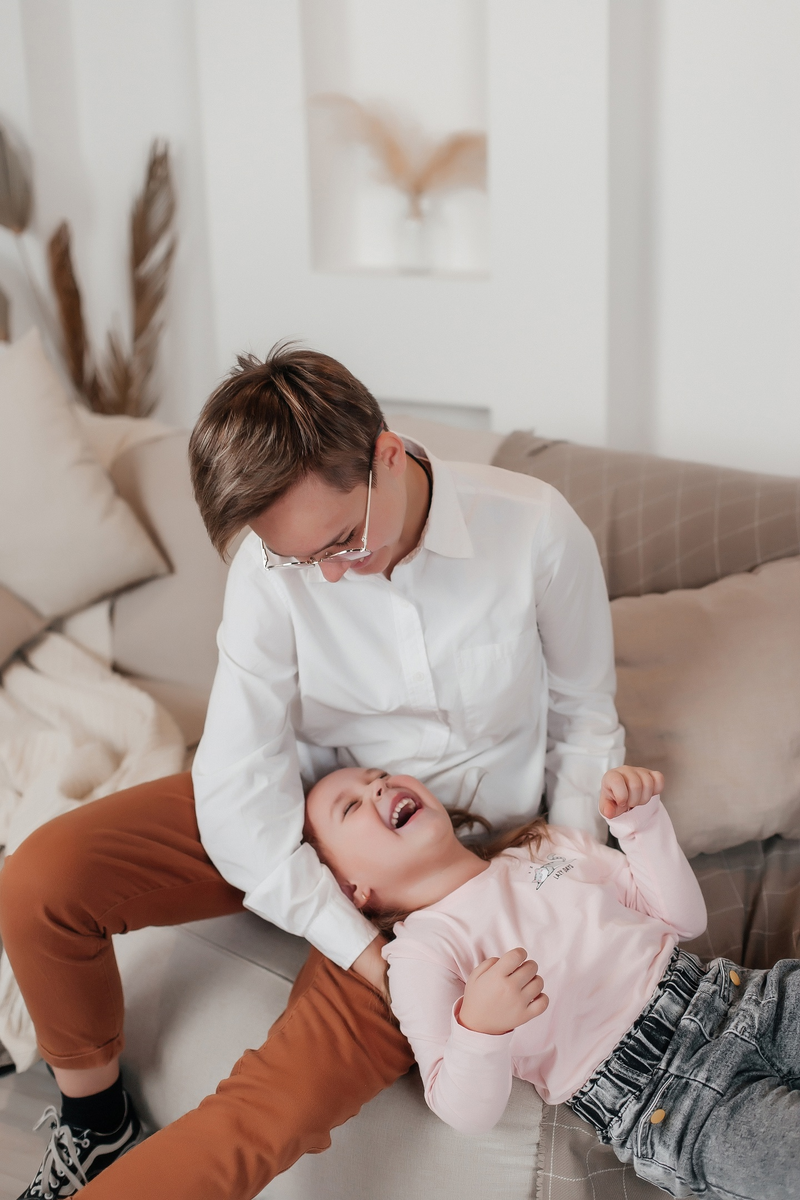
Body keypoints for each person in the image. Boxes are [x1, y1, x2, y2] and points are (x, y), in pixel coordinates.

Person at [0, 346, 624, 1199]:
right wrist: (353, 942)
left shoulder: (534, 528)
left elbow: (587, 719)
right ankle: (95, 1123)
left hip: (449, 884)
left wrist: (561, 881)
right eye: (301, 558)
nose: (328, 574)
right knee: (42, 878)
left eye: (341, 542)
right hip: (308, 805)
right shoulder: (271, 570)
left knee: (265, 1114)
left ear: (388, 455)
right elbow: (235, 784)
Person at [304, 763, 800, 1200]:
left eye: (380, 776)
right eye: (350, 806)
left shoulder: (544, 845)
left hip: (751, 999)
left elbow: (682, 920)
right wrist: (479, 1028)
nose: (379, 787)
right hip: (676, 1101)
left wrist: (641, 822)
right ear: (352, 892)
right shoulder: (419, 954)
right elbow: (464, 1112)